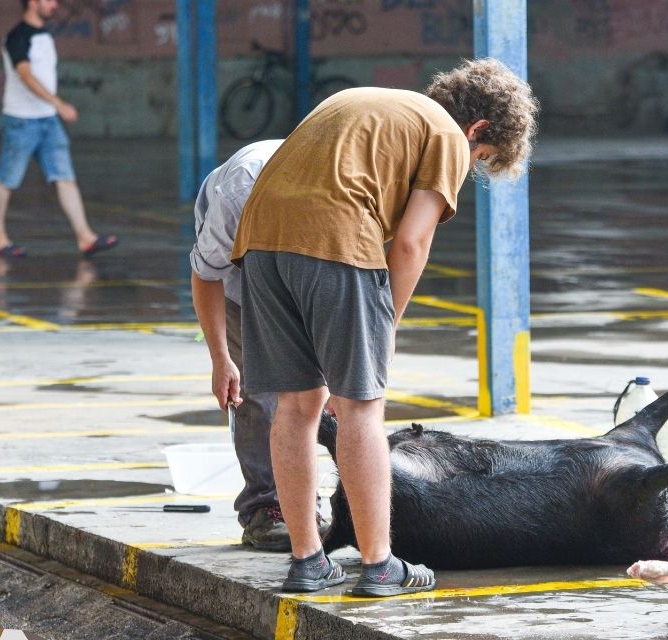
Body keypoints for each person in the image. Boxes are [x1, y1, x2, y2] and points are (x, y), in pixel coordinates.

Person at [231, 59, 538, 596]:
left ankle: (307, 561)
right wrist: (386, 321)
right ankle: (378, 566)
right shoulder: (446, 134)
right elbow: (412, 242)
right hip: (335, 241)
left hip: (259, 242)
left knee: (297, 407)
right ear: (479, 130)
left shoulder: (364, 102)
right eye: (481, 158)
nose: (472, 165)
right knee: (360, 408)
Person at [189, 139, 332, 551]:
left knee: (327, 392)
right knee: (258, 392)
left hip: (316, 279)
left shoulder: (346, 190)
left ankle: (317, 500)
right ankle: (264, 507)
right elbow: (206, 276)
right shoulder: (240, 193)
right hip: (237, 285)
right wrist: (221, 359)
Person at [0, 0, 118, 259]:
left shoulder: (45, 35)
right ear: (33, 2)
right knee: (8, 180)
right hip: (22, 121)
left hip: (48, 122)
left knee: (65, 178)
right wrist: (58, 104)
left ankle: (85, 238)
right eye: (49, 0)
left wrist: (53, 110)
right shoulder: (18, 37)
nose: (55, 5)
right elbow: (25, 75)